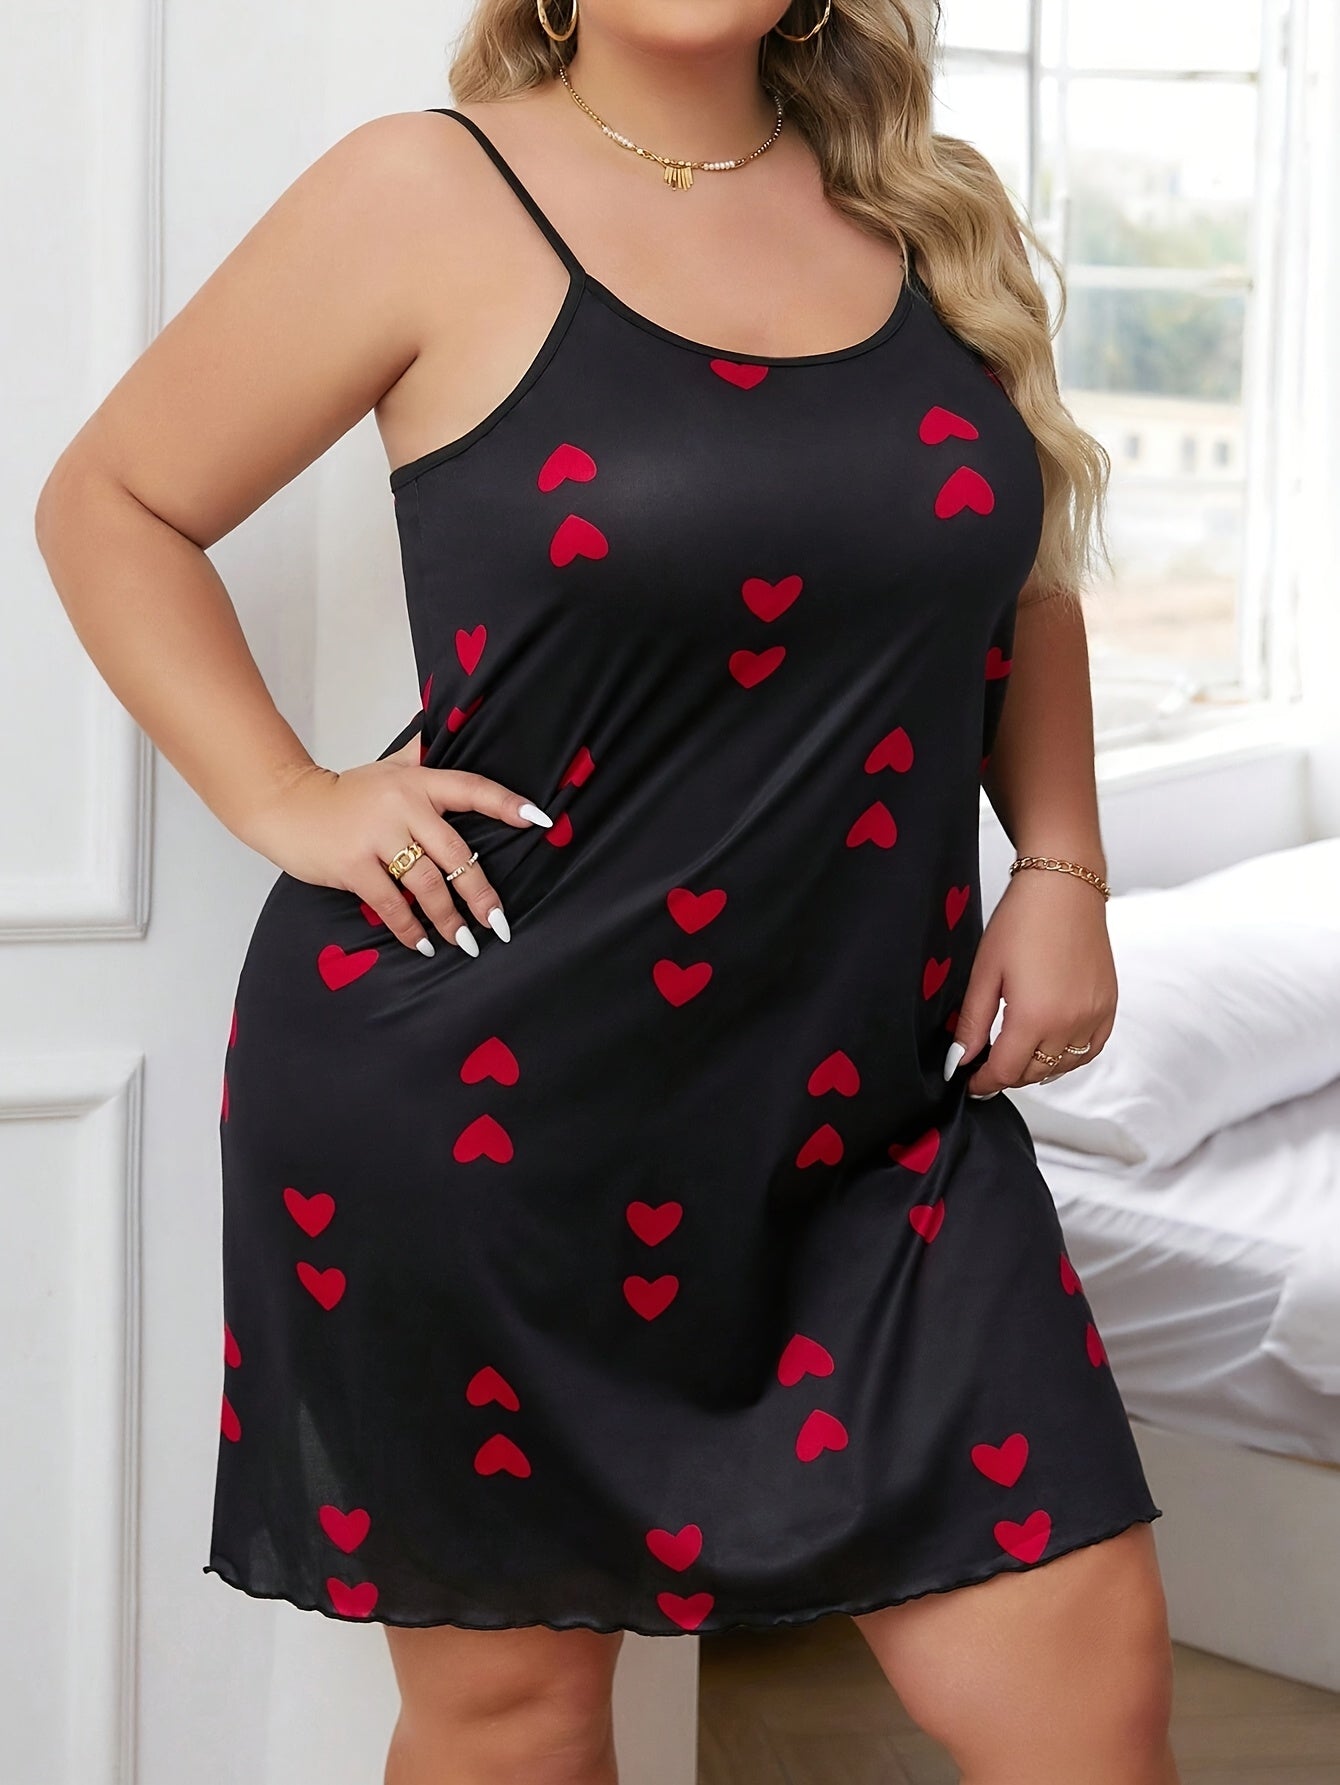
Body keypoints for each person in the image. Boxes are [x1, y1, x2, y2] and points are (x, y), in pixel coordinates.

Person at [34, 0, 1181, 1779]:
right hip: (490, 1103)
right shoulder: (422, 192)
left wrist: (1062, 863)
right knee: (514, 1716)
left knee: (1087, 1699)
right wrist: (289, 795)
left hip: (876, 1114)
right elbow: (110, 499)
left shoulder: (926, 206)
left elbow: (1016, 572)